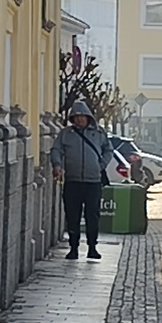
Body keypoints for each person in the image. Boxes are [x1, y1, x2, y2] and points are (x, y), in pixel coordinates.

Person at [50, 107, 113, 260]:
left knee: (93, 215)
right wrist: (57, 165)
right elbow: (56, 149)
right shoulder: (66, 134)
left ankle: (92, 247)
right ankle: (73, 248)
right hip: (73, 181)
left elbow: (108, 150)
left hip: (93, 182)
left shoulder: (98, 133)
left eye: (82, 116)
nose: (79, 119)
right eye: (76, 116)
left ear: (88, 117)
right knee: (72, 216)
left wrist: (101, 165)